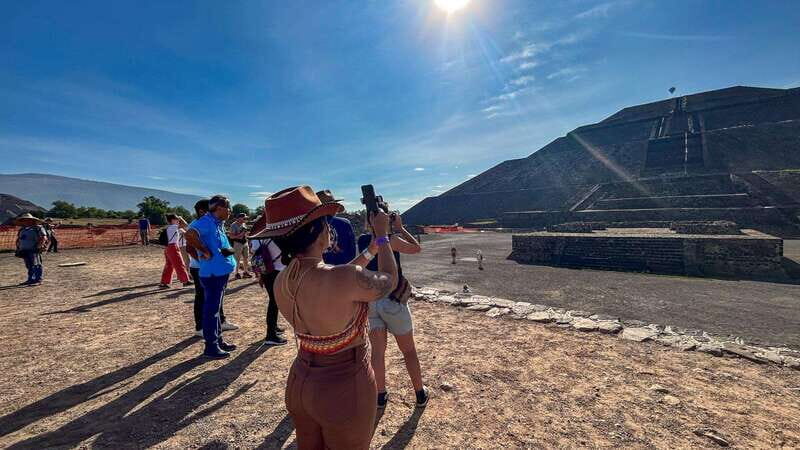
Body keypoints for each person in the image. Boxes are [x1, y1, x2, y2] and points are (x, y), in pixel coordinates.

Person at [250, 185, 398, 450]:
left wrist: (371, 249)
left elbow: (341, 276)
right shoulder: (342, 278)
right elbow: (389, 280)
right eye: (324, 222)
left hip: (301, 382)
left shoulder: (282, 279)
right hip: (344, 385)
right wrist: (384, 237)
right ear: (317, 231)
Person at [358, 211, 428, 410]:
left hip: (372, 301)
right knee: (408, 351)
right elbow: (417, 248)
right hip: (393, 301)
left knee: (378, 352)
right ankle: (420, 393)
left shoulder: (363, 240)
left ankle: (380, 396)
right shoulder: (391, 240)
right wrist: (400, 228)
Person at [185, 195, 238, 359]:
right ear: (219, 208)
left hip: (220, 271)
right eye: (228, 208)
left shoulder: (217, 223)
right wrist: (204, 251)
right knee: (211, 310)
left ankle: (218, 340)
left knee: (216, 309)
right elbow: (189, 235)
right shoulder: (205, 222)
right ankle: (211, 346)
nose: (230, 211)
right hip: (213, 273)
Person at [249, 233, 288, 346]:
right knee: (274, 302)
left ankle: (274, 328)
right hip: (277, 270)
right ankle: (270, 335)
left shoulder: (258, 236)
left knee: (273, 301)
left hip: (265, 269)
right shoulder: (277, 234)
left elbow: (253, 250)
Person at [316, 189, 357, 265]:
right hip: (344, 270)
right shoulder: (345, 223)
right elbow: (352, 253)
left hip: (319, 272)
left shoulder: (310, 226)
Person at [159, 214, 192, 288]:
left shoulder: (170, 227)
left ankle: (164, 282)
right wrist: (181, 218)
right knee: (180, 264)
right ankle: (185, 281)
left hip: (168, 247)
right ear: (172, 220)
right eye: (176, 219)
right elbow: (185, 224)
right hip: (173, 247)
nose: (178, 220)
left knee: (169, 266)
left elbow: (185, 229)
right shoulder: (174, 227)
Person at [15, 213, 48, 286]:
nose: (25, 221)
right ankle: (31, 279)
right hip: (24, 250)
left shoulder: (38, 228)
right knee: (29, 265)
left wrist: (39, 246)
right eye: (23, 220)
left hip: (34, 249)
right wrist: (18, 247)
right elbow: (19, 239)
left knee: (37, 264)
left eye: (27, 220)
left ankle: (38, 279)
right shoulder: (22, 229)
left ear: (32, 220)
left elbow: (44, 237)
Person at [229, 213, 252, 279]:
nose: (245, 219)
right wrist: (240, 235)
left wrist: (246, 236)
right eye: (244, 218)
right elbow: (231, 236)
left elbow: (245, 234)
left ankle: (245, 272)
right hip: (237, 244)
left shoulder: (244, 224)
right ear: (239, 218)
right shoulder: (233, 225)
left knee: (246, 258)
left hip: (245, 243)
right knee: (237, 259)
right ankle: (236, 273)